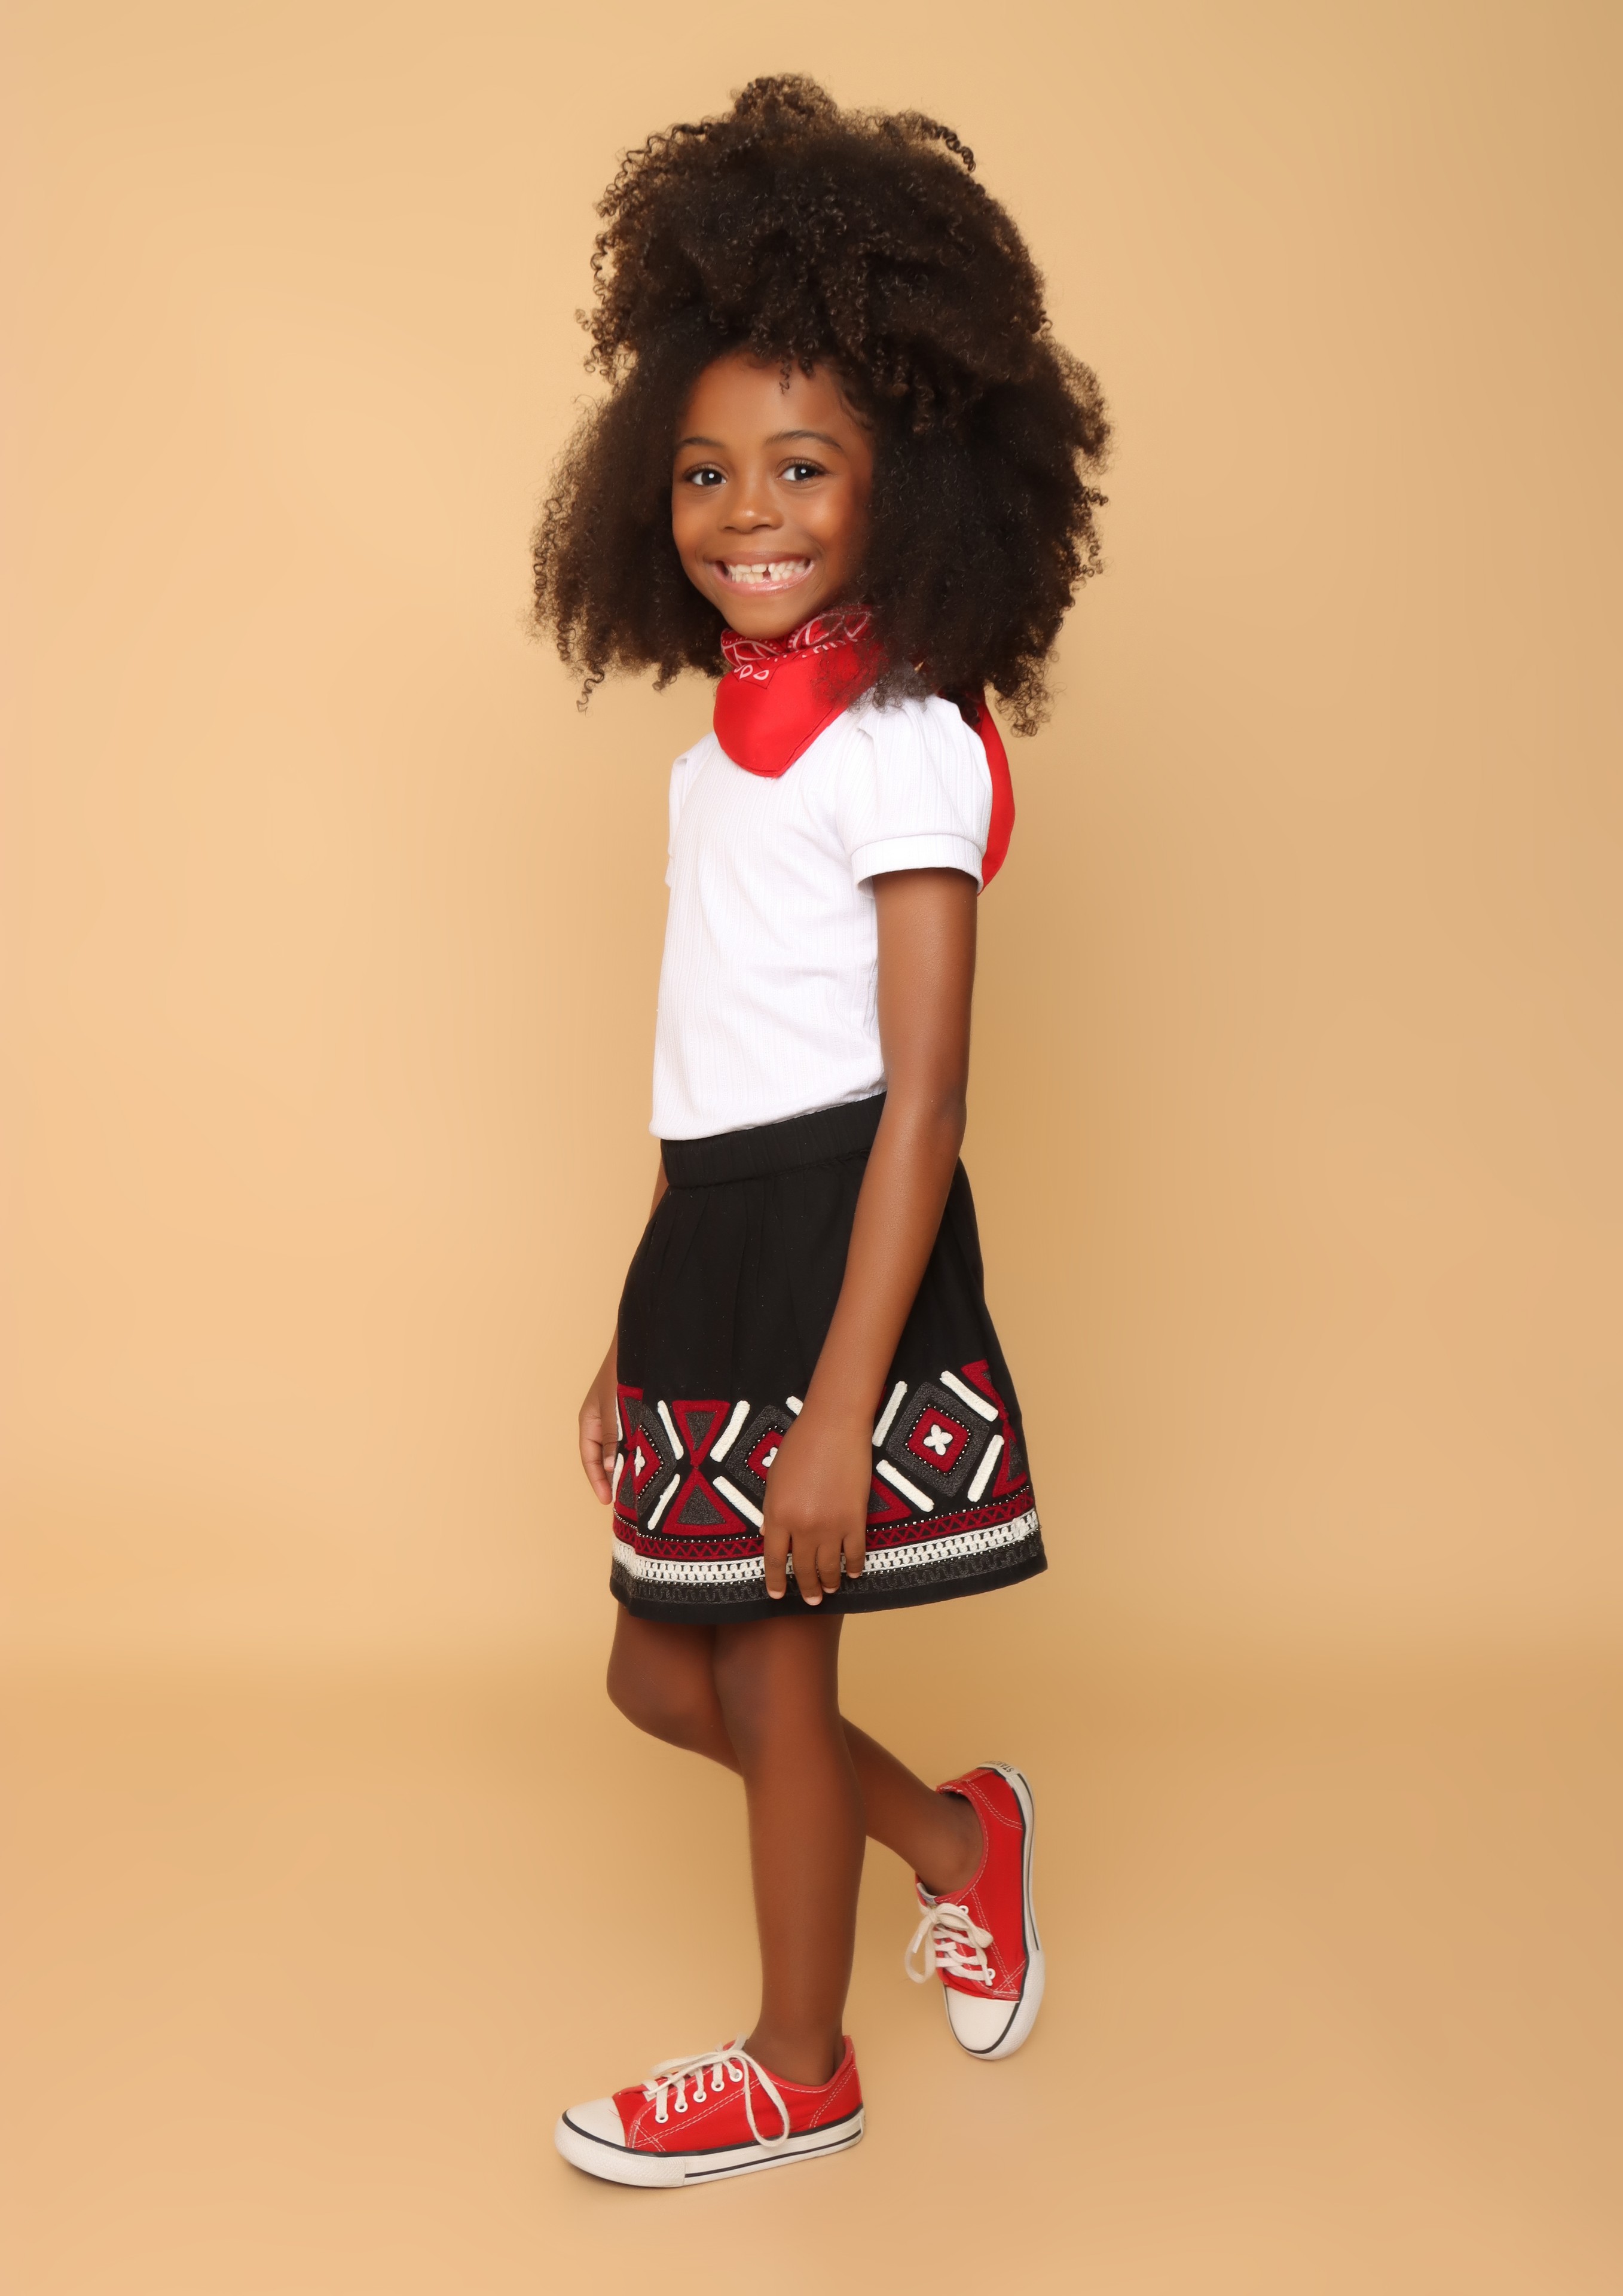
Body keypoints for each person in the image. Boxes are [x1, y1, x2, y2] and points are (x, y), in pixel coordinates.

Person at [533, 76, 1108, 2188]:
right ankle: (959, 1841)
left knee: (775, 1679)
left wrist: (840, 1406)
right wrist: (634, 1320)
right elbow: (708, 1057)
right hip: (711, 1229)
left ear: (907, 488)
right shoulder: (713, 763)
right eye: (704, 470)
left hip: (844, 1232)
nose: (745, 511)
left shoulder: (903, 740)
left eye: (803, 467)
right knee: (659, 1680)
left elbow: (921, 1096)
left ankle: (800, 2063)